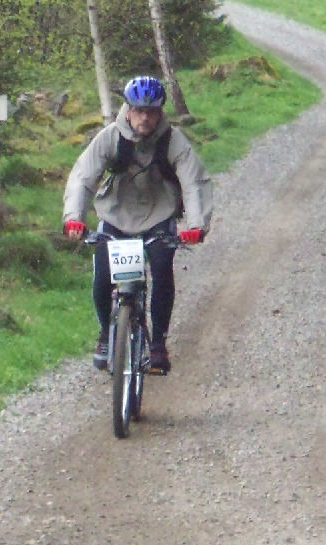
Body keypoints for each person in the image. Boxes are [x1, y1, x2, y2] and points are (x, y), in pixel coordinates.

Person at [62, 75, 213, 373]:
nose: (145, 118)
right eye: (139, 110)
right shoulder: (110, 137)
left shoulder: (173, 141)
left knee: (161, 269)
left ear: (160, 112)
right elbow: (83, 177)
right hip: (117, 216)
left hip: (158, 216)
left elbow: (193, 182)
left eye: (151, 111)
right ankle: (107, 335)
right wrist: (74, 219)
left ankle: (158, 344)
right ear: (127, 109)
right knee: (103, 276)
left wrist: (197, 225)